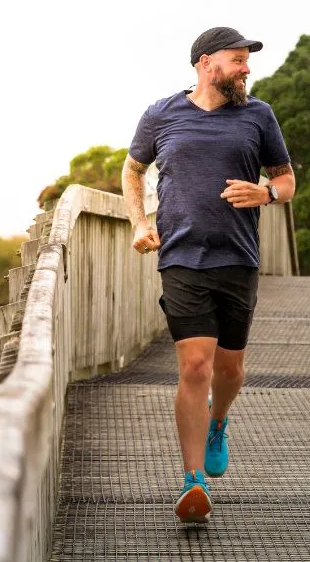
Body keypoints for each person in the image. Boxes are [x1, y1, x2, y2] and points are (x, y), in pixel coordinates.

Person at [121, 26, 295, 524]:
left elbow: (286, 180)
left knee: (230, 370)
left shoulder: (258, 115)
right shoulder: (162, 114)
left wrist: (267, 195)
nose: (246, 68)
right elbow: (132, 170)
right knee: (195, 366)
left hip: (238, 258)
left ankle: (219, 421)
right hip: (180, 258)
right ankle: (193, 478)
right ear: (204, 62)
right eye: (237, 59)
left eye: (247, 60)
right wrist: (138, 222)